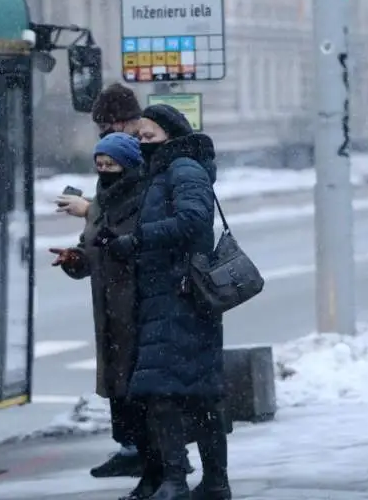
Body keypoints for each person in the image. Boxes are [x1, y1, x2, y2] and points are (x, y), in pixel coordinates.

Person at [102, 104, 229, 500]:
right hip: (167, 295)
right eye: (139, 137)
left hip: (182, 296)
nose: (142, 143)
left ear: (171, 136)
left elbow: (194, 220)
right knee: (195, 393)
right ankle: (212, 482)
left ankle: (178, 481)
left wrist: (139, 240)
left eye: (148, 136)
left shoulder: (184, 169)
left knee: (165, 395)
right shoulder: (163, 172)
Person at [49, 133, 150, 478]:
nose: (105, 171)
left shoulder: (143, 199)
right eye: (100, 165)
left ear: (129, 166)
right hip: (108, 309)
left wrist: (115, 243)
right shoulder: (101, 204)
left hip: (139, 307)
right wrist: (73, 259)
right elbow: (90, 251)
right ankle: (129, 449)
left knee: (139, 383)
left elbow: (143, 247)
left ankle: (150, 456)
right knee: (117, 382)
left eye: (112, 165)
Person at [56, 82, 143, 220]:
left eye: (103, 127)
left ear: (121, 122)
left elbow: (129, 214)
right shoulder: (133, 152)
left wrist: (88, 210)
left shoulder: (146, 156)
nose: (102, 134)